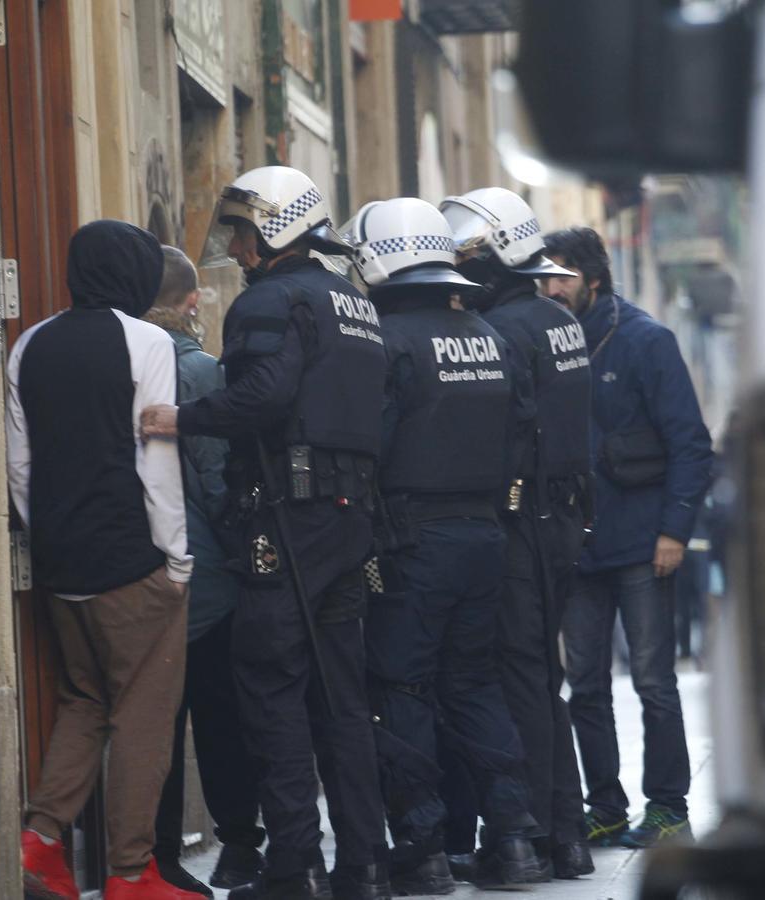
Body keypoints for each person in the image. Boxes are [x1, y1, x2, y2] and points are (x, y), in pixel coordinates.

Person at [140, 166, 390, 900]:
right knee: (343, 698)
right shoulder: (353, 300)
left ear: (280, 227)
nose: (239, 249)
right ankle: (365, 867)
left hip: (286, 518)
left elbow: (263, 395)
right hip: (350, 518)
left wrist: (184, 417)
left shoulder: (273, 301)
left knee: (270, 688)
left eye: (246, 233)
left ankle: (294, 868)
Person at [343, 197, 545, 893]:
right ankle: (514, 840)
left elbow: (370, 444)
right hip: (486, 534)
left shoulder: (387, 342)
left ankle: (424, 850)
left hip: (411, 541)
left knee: (403, 686)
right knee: (475, 683)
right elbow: (524, 436)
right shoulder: (491, 334)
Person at [6, 220, 199, 900]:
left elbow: (21, 464)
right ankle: (130, 874)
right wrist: (176, 560)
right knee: (144, 716)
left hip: (62, 563)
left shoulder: (30, 343)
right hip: (133, 560)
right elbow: (156, 453)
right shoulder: (145, 339)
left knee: (85, 700)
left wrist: (50, 539)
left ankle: (40, 842)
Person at [437, 188, 596, 880]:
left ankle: (533, 834)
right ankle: (568, 834)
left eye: (472, 253)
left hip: (520, 516)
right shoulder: (557, 319)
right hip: (561, 514)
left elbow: (507, 430)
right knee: (543, 674)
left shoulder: (504, 328)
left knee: (520, 675)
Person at [540, 227, 714, 850]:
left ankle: (668, 807)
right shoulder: (547, 342)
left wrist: (674, 530)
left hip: (644, 544)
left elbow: (692, 444)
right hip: (578, 547)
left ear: (593, 278)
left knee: (652, 681)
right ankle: (605, 807)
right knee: (584, 684)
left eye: (560, 275)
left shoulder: (646, 340)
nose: (550, 288)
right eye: (543, 276)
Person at [145, 248, 267, 895]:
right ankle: (240, 844)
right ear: (193, 303)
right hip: (210, 578)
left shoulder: (120, 366)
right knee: (222, 717)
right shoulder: (199, 372)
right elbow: (221, 477)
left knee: (151, 720)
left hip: (138, 573)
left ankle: (154, 854)